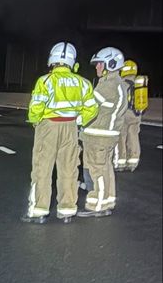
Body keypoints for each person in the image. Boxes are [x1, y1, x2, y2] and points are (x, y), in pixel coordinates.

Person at [23, 41, 98, 224]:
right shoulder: (83, 83)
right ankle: (67, 210)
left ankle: (39, 211)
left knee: (43, 169)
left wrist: (35, 121)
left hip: (48, 127)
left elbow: (36, 107)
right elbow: (92, 108)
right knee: (69, 169)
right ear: (73, 62)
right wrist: (79, 120)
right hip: (71, 128)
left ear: (52, 59)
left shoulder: (45, 81)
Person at [80, 46, 128, 216]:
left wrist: (77, 118)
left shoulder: (108, 85)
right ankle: (108, 200)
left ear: (111, 64)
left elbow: (88, 105)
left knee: (96, 170)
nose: (97, 67)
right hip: (108, 136)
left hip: (98, 136)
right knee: (106, 169)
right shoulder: (120, 84)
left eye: (100, 64)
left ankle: (98, 205)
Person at [114, 59, 147, 172]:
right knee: (133, 136)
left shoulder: (121, 83)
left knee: (121, 137)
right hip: (136, 114)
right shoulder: (139, 83)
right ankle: (133, 161)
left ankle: (121, 162)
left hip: (123, 113)